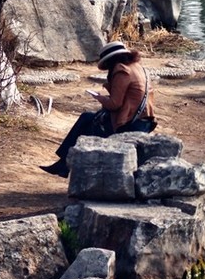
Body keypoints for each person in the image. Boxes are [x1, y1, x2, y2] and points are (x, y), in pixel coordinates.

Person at [40, 41, 157, 177]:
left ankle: (64, 164)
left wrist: (99, 98)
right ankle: (63, 164)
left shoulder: (121, 70)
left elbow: (115, 104)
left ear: (111, 61)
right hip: (145, 121)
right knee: (88, 119)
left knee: (88, 122)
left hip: (130, 124)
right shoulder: (137, 67)